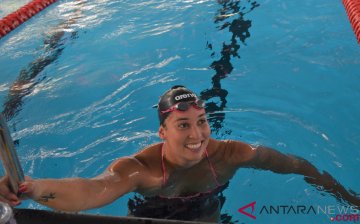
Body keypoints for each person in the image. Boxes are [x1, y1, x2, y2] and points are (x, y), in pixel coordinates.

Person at [0, 85, 359, 223]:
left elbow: (297, 165)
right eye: (183, 125)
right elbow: (93, 190)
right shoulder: (141, 169)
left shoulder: (233, 154)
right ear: (162, 132)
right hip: (151, 214)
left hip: (206, 211)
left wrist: (348, 200)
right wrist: (32, 187)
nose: (197, 134)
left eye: (201, 122)